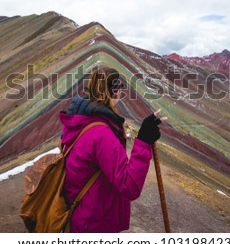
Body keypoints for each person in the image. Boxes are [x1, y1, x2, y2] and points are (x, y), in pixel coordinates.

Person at [59, 66, 167, 232]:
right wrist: (144, 140)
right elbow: (129, 186)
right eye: (119, 89)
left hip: (81, 216)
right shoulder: (101, 133)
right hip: (94, 224)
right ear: (114, 92)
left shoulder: (79, 121)